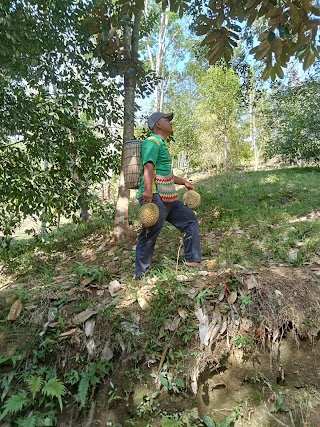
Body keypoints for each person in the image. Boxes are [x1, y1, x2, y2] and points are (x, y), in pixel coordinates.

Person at [135, 111, 201, 280]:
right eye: (167, 120)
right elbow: (148, 167)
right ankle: (141, 275)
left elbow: (165, 173)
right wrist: (148, 190)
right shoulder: (151, 142)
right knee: (150, 234)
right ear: (158, 124)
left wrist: (183, 182)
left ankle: (192, 260)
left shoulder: (161, 143)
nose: (170, 122)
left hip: (168, 195)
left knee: (189, 220)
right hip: (155, 195)